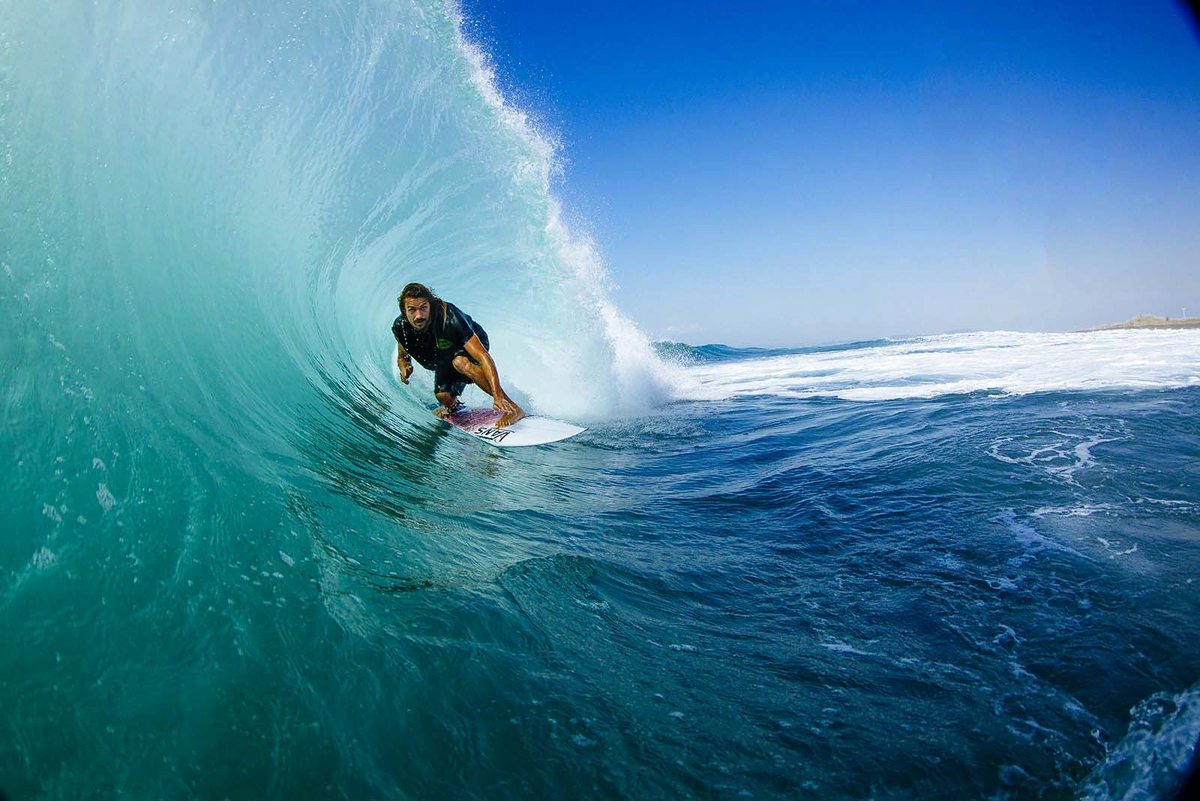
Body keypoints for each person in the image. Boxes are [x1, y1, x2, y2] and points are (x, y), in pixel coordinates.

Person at [392, 283, 525, 427]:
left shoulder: (449, 318)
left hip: (470, 342)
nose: (419, 315)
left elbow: (483, 356)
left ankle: (513, 409)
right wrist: (405, 367)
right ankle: (453, 407)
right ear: (404, 312)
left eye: (423, 307)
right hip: (444, 355)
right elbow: (402, 356)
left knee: (460, 362)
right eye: (412, 310)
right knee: (443, 397)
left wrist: (498, 396)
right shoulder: (401, 328)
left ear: (430, 306)